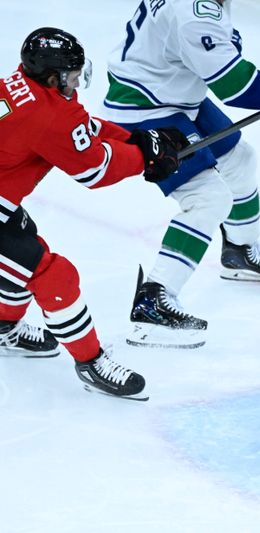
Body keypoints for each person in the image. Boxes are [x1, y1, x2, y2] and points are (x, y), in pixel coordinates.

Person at [102, 0, 260, 349]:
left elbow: (201, 50)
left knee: (239, 159)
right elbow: (234, 85)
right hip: (145, 108)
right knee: (208, 198)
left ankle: (240, 251)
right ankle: (153, 303)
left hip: (175, 94)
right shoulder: (194, 12)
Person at [0, 27, 190, 400]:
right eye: (71, 74)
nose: (76, 81)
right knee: (52, 274)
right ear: (53, 77)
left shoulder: (21, 86)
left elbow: (81, 128)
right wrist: (145, 159)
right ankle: (91, 362)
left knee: (24, 250)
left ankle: (4, 327)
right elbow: (93, 169)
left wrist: (135, 138)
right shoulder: (45, 114)